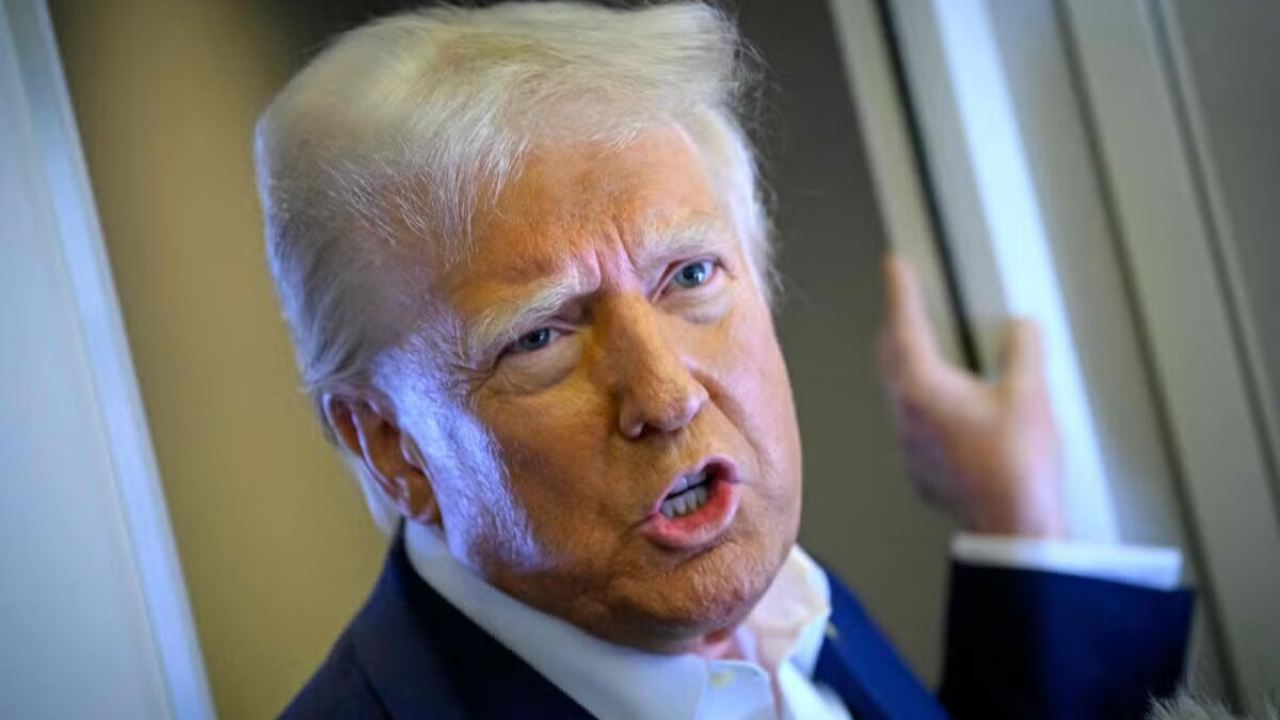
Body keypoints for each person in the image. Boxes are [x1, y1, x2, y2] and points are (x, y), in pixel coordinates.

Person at [254, 3, 1193, 718]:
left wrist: (1020, 520)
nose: (666, 397)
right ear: (391, 445)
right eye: (540, 335)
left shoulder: (757, 585)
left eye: (691, 274)